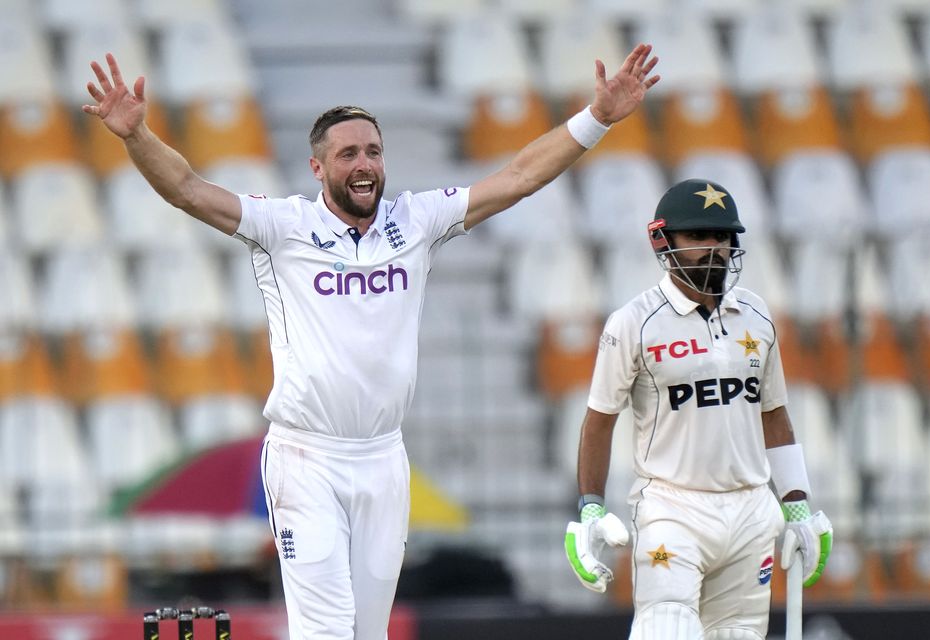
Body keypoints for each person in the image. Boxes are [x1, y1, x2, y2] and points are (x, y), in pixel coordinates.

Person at [82, 46, 660, 640]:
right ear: (317, 168)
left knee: (368, 632)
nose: (365, 165)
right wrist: (136, 137)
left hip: (383, 458)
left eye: (374, 152)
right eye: (349, 153)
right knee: (327, 630)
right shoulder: (283, 227)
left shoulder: (416, 221)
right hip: (305, 457)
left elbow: (517, 178)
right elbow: (186, 188)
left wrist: (597, 119)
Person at [564, 179, 833, 639]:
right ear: (663, 242)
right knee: (666, 628)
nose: (713, 249)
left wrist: (797, 505)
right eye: (698, 237)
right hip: (672, 506)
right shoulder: (634, 322)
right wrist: (591, 507)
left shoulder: (756, 315)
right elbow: (599, 420)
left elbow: (774, 414)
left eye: (722, 237)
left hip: (750, 508)